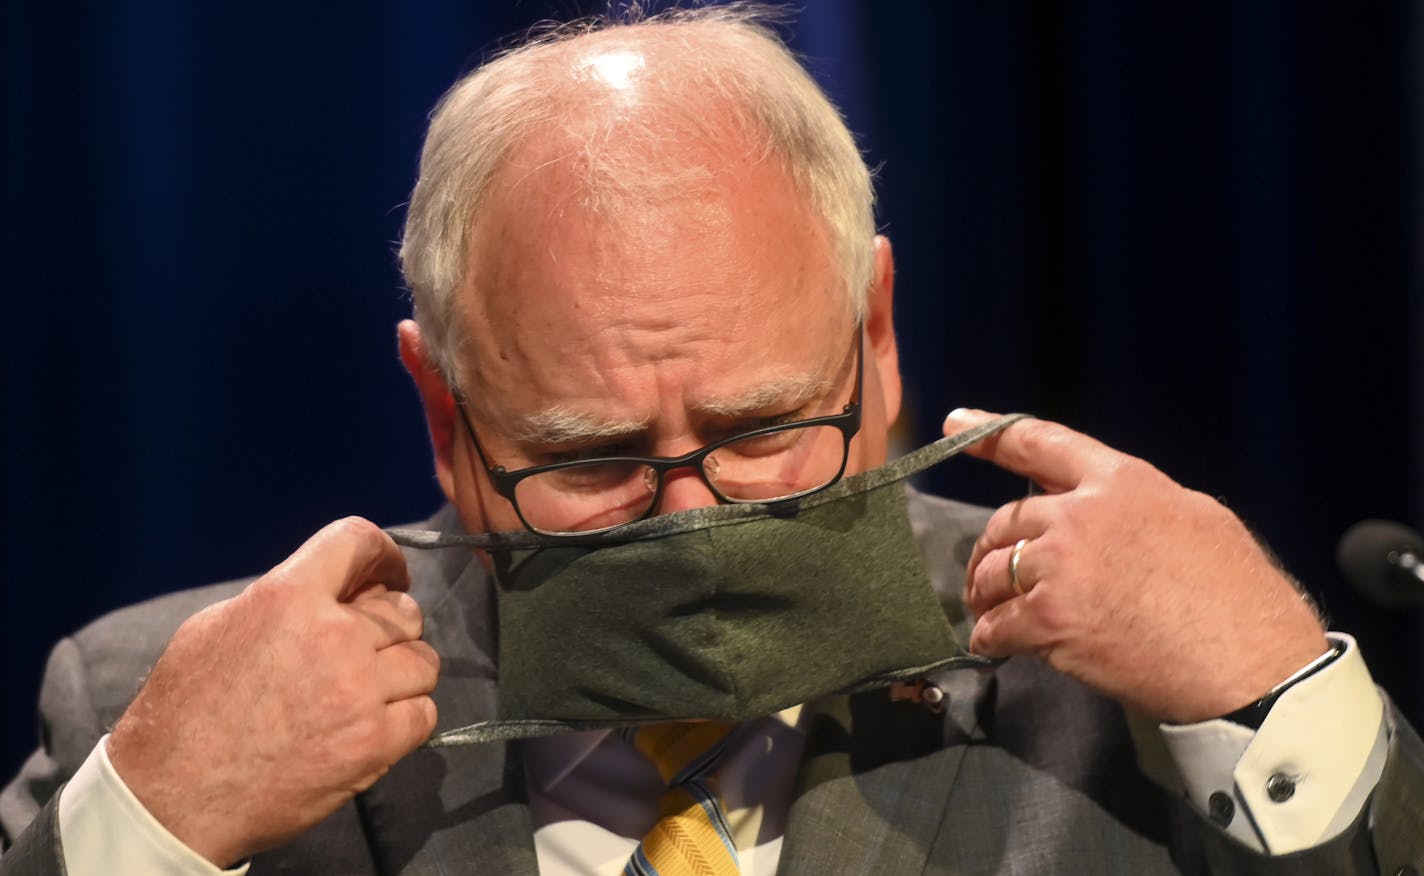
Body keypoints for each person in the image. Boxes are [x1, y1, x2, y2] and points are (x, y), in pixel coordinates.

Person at [2, 6, 1422, 875]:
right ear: (445, 413)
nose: (694, 520)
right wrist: (150, 837)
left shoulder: (1114, 698)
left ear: (874, 334)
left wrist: (1282, 696)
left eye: (759, 432)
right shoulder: (147, 714)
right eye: (592, 456)